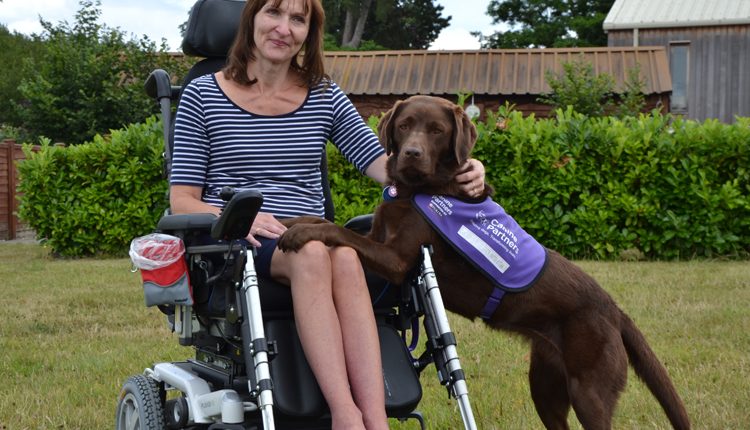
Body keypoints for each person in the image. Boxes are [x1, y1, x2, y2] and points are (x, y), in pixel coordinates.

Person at [168, 0, 486, 428]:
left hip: (309, 233)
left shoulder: (322, 94)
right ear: (252, 19)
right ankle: (345, 415)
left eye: (297, 19)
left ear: (309, 32)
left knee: (344, 252)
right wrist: (236, 215)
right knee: (318, 252)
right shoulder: (203, 94)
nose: (284, 28)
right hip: (236, 241)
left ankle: (373, 418)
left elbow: (389, 169)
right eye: (273, 13)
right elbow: (182, 200)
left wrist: (464, 172)